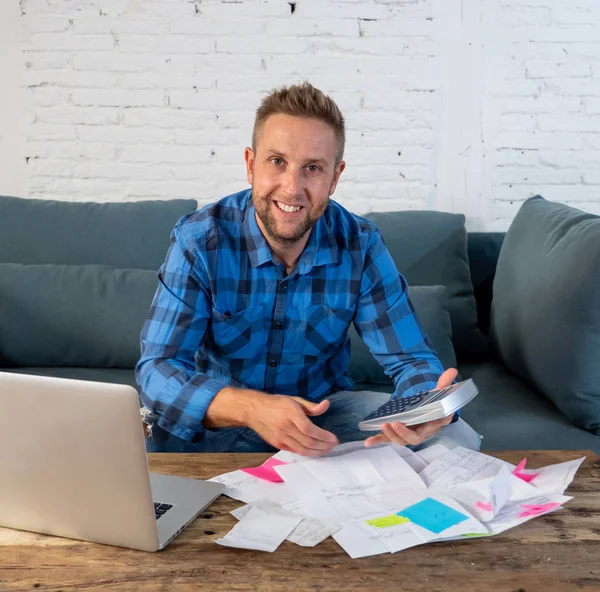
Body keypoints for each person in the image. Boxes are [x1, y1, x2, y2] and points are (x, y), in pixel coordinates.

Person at [136, 82, 481, 456]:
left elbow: (413, 360)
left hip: (322, 423)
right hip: (220, 422)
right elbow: (158, 370)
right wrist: (253, 409)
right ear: (251, 165)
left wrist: (423, 407)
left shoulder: (360, 244)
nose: (292, 187)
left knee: (454, 440)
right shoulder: (200, 240)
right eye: (277, 162)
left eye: (313, 168)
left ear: (335, 177)